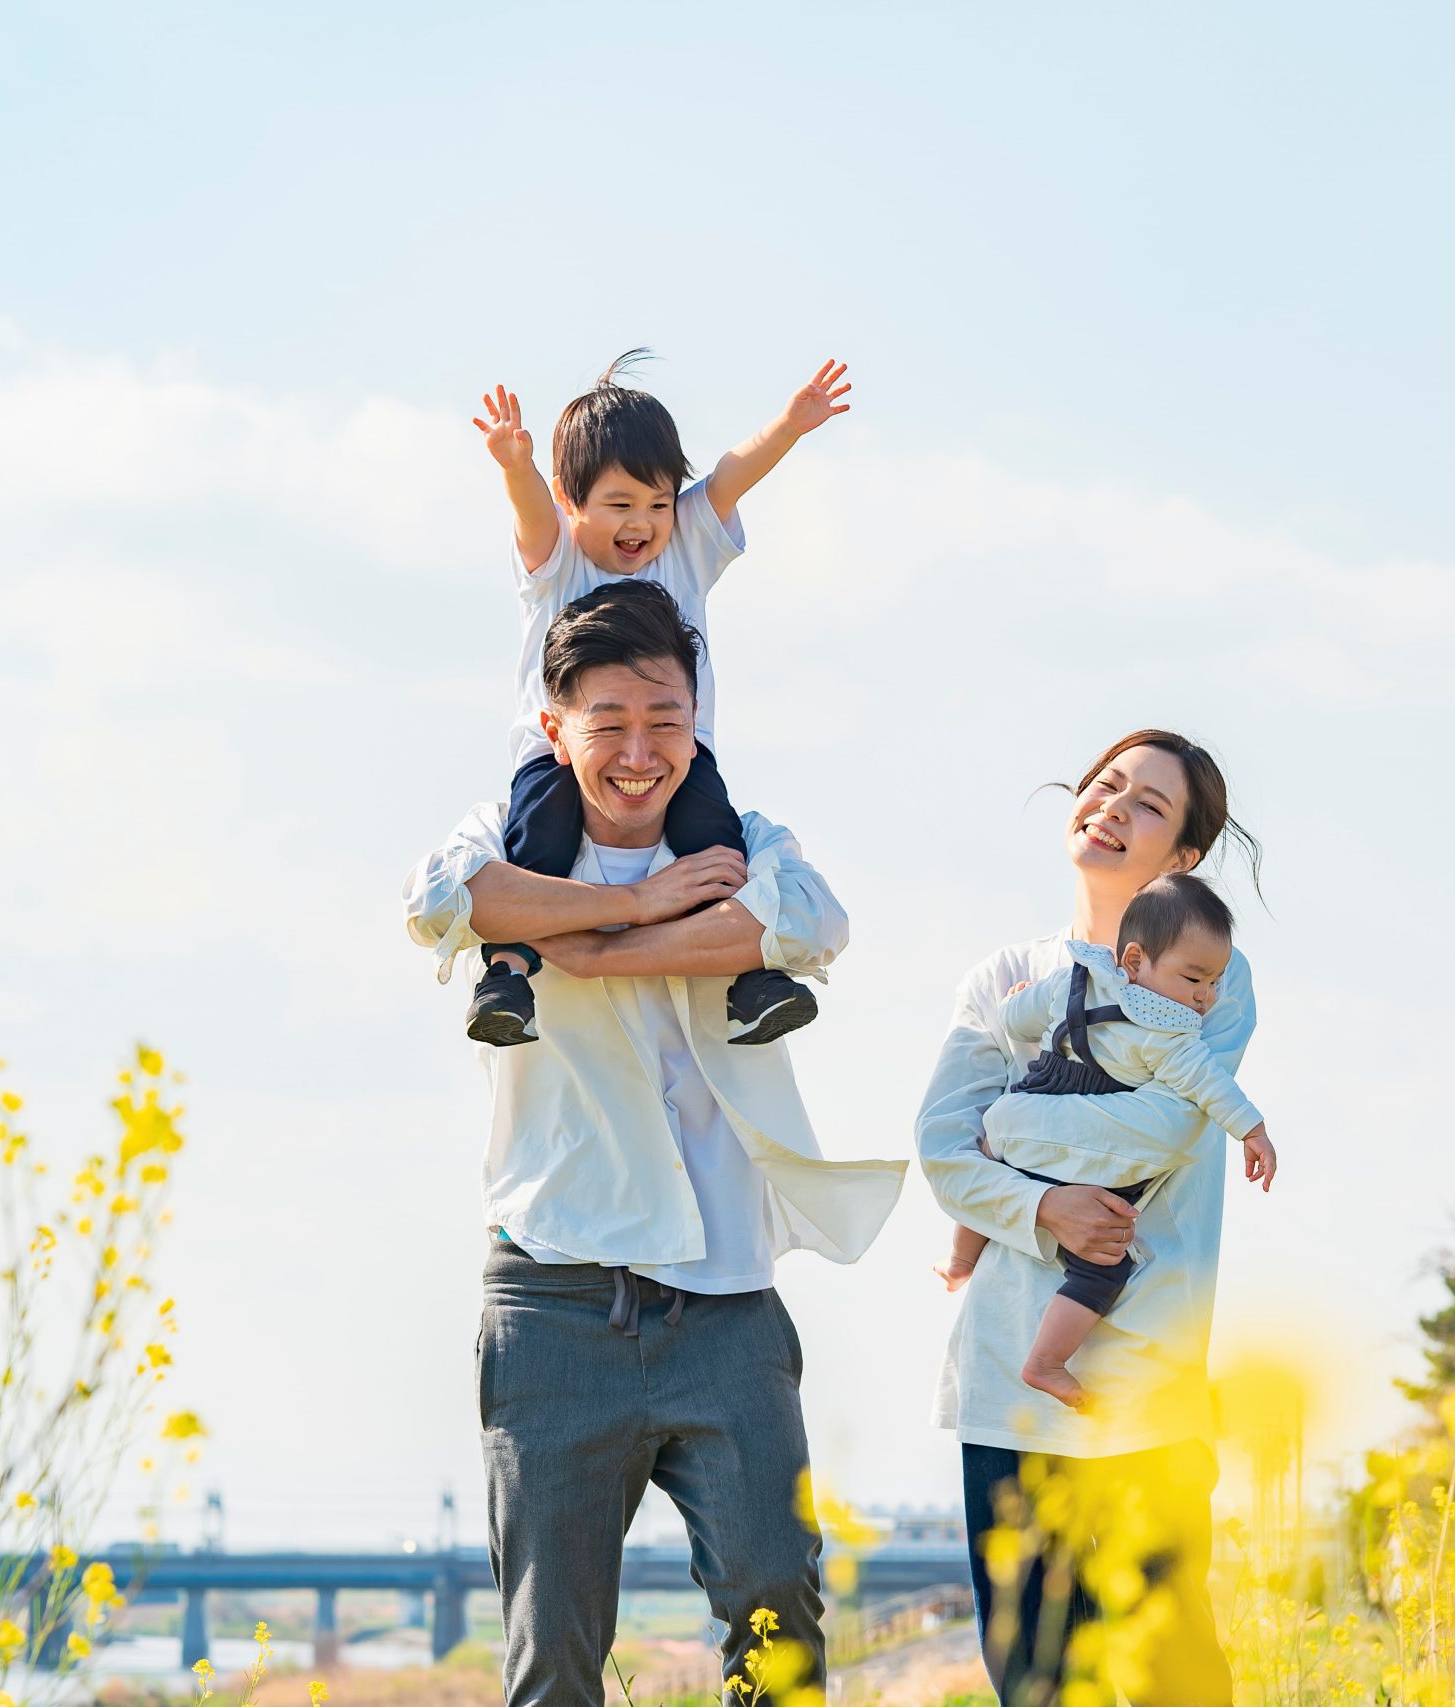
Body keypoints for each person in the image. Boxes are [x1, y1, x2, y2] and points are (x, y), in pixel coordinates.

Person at [403, 580, 905, 1705]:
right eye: (610, 725)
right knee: (556, 1651)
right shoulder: (504, 839)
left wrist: (595, 951)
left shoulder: (745, 839)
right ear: (554, 729)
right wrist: (640, 905)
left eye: (666, 723)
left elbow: (808, 923)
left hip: (724, 1292)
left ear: (697, 723)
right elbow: (441, 900)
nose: (640, 752)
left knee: (781, 1609)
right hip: (552, 1294)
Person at [917, 730, 1263, 1707]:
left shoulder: (1206, 972)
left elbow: (1161, 1127)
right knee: (1035, 1684)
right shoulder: (1002, 979)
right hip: (1004, 1381)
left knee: (1175, 1678)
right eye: (1105, 785)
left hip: (1142, 1379)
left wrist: (1007, 1130)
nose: (1112, 806)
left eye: (1148, 805)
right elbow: (941, 1147)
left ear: (1182, 859)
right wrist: (1042, 1207)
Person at [463, 350, 853, 1050]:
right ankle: (508, 970)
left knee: (714, 840)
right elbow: (529, 514)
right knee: (541, 841)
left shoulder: (686, 547)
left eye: (657, 502)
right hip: (556, 756)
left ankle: (750, 980)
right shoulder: (558, 561)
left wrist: (790, 427)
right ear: (570, 501)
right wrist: (514, 466)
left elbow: (732, 475)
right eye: (619, 505)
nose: (641, 523)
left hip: (682, 748)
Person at [934, 872, 1276, 1411]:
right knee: (1103, 1266)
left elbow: (1017, 1017)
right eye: (1195, 980)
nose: (1206, 997)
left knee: (992, 1159)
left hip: (1038, 1087)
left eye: (1213, 983)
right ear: (1136, 961)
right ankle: (1046, 1362)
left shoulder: (1074, 977)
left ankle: (959, 1261)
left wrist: (1020, 1008)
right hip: (1085, 1139)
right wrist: (1251, 1129)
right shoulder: (1169, 1035)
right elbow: (1210, 1087)